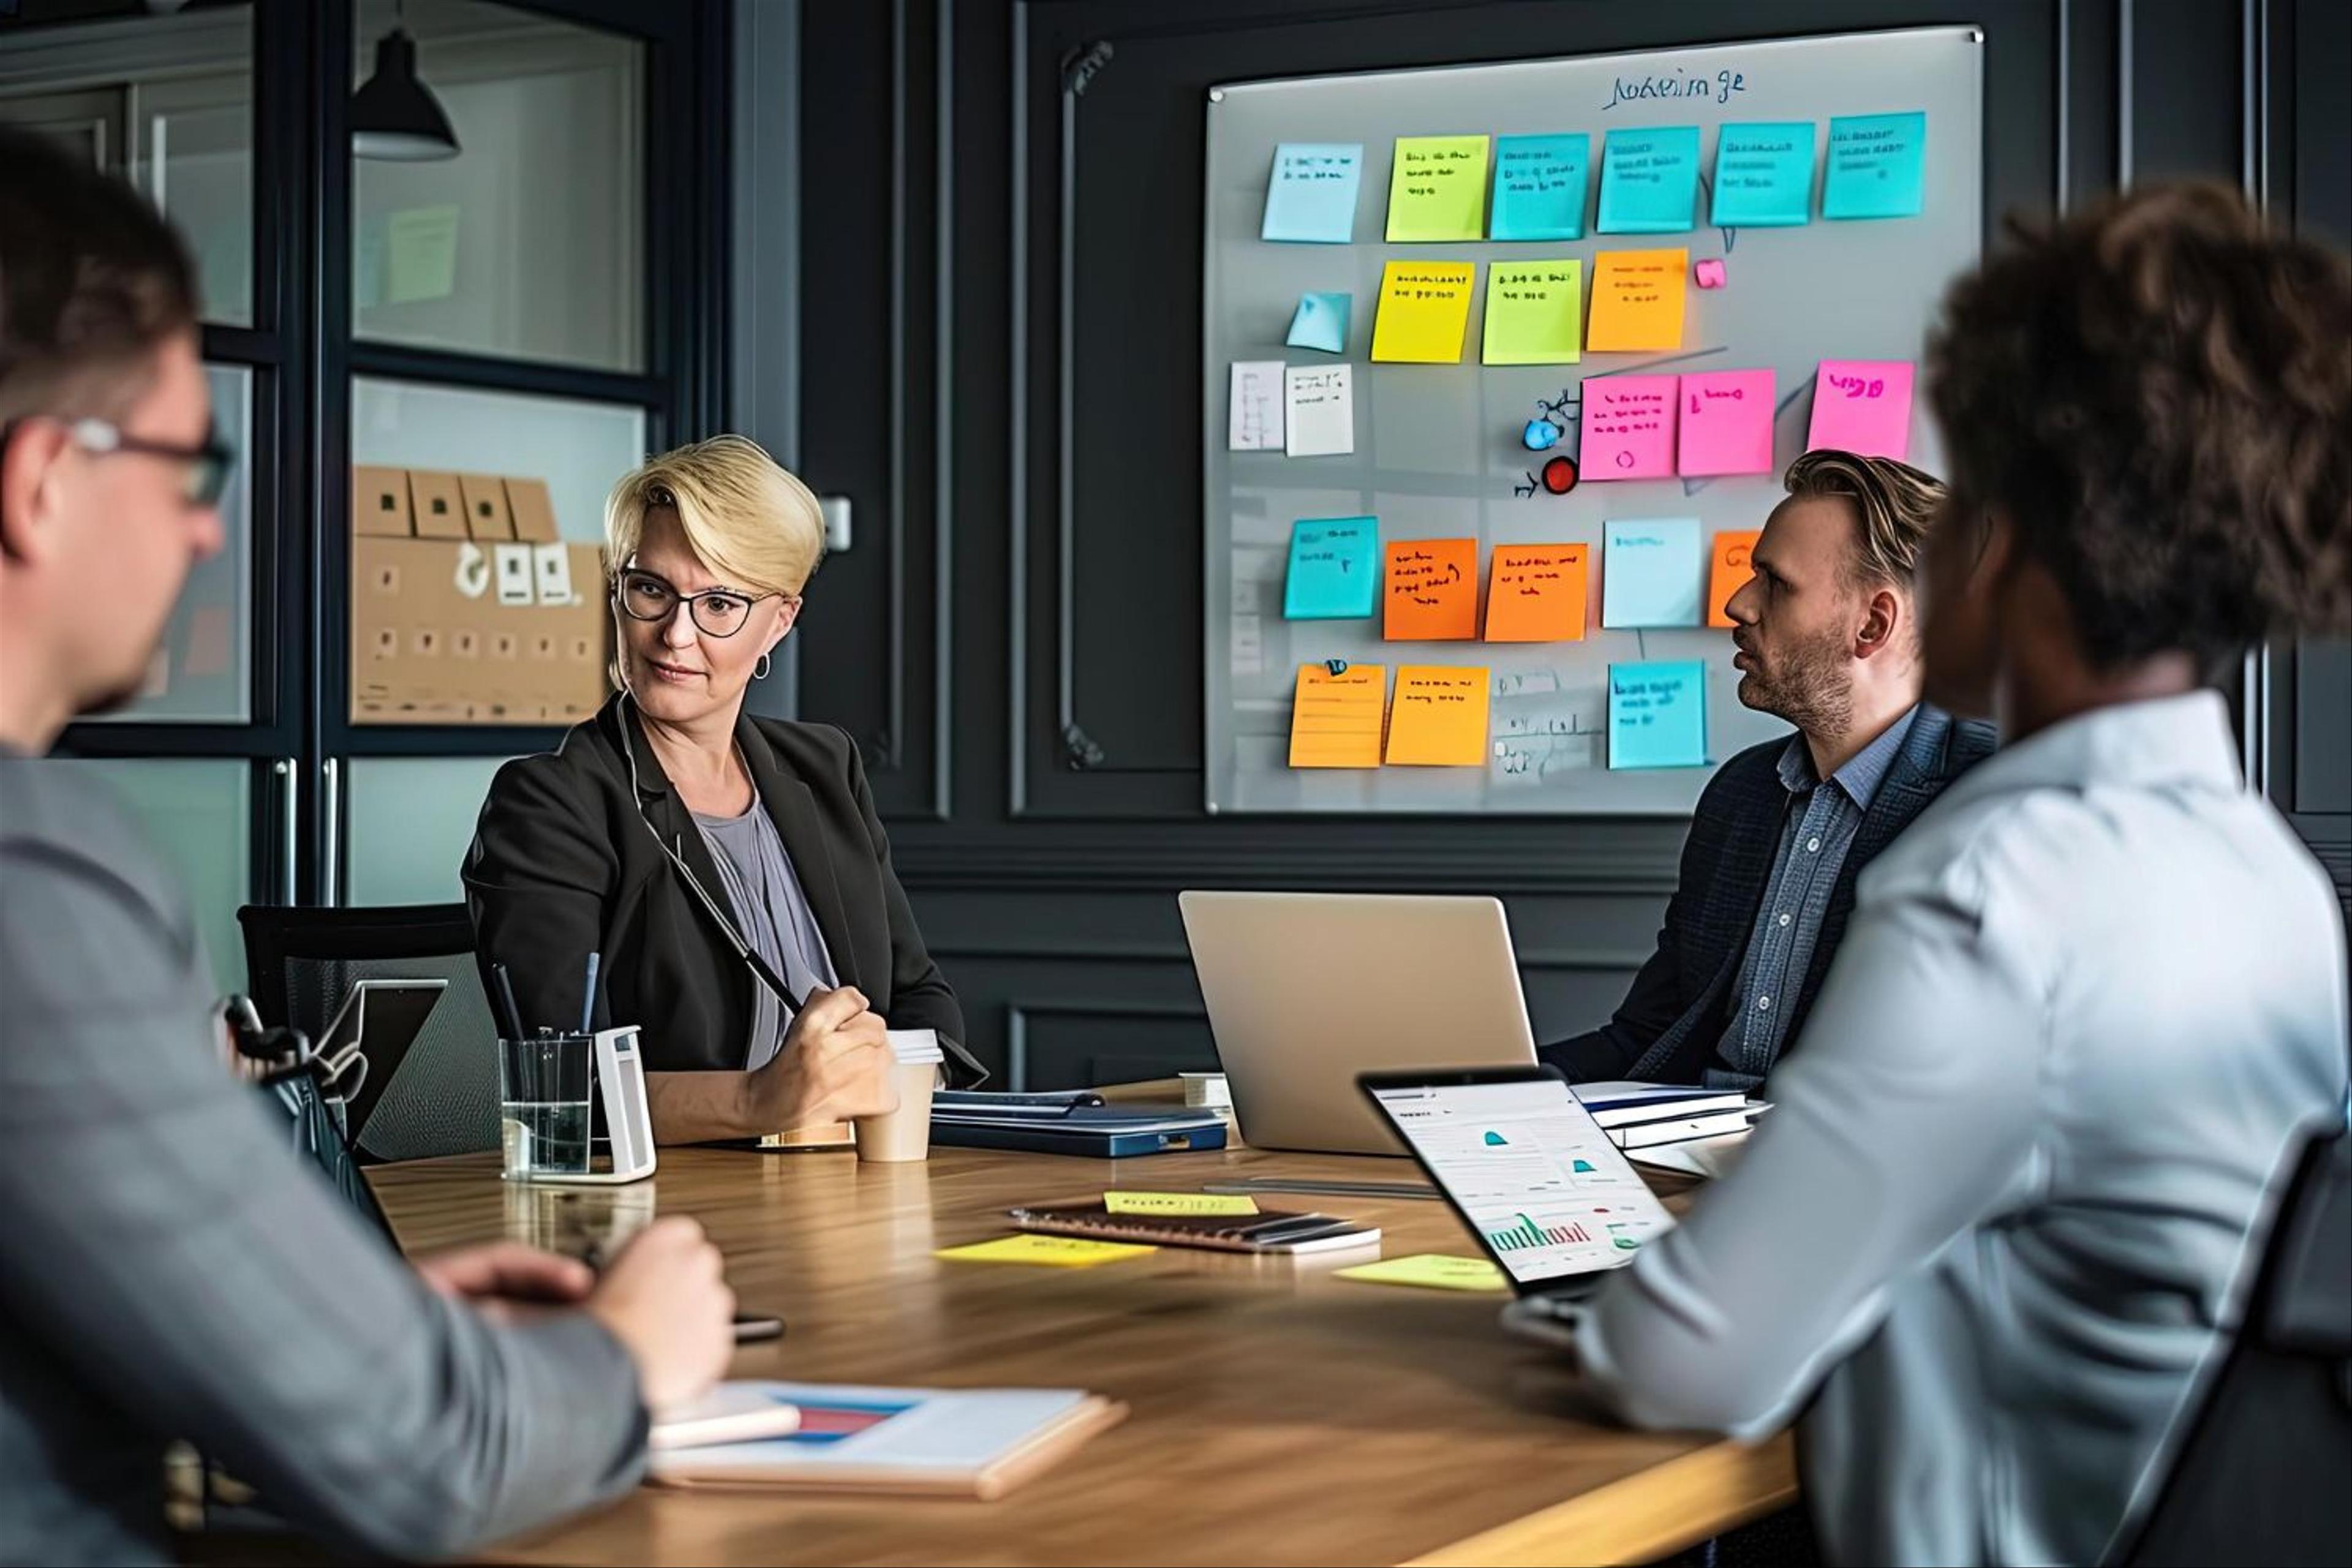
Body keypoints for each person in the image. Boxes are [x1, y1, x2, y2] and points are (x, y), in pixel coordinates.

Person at [1540, 183, 2352, 1567]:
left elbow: (1684, 1362)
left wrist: (1579, 1305)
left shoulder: (1993, 886)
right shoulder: (2264, 875)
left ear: (2016, 538)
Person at [0, 127, 736, 1564]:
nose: (210, 536)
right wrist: (631, 1352)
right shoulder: (32, 884)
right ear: (41, 482)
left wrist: (332, 1332)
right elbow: (428, 1460)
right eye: (188, 462)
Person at [465, 435, 984, 1147]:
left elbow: (920, 997)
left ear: (780, 620)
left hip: (857, 1172)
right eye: (651, 589)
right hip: (686, 1202)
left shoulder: (825, 767)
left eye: (719, 603)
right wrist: (760, 1099)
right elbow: (561, 1084)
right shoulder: (551, 803)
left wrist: (889, 1086)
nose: (675, 634)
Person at [1542, 451, 1995, 1090]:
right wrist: (1488, 1088)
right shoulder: (1742, 794)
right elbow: (1649, 1037)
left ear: (1872, 624)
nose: (1737, 604)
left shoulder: (1990, 800)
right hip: (1680, 1160)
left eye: (1775, 583)